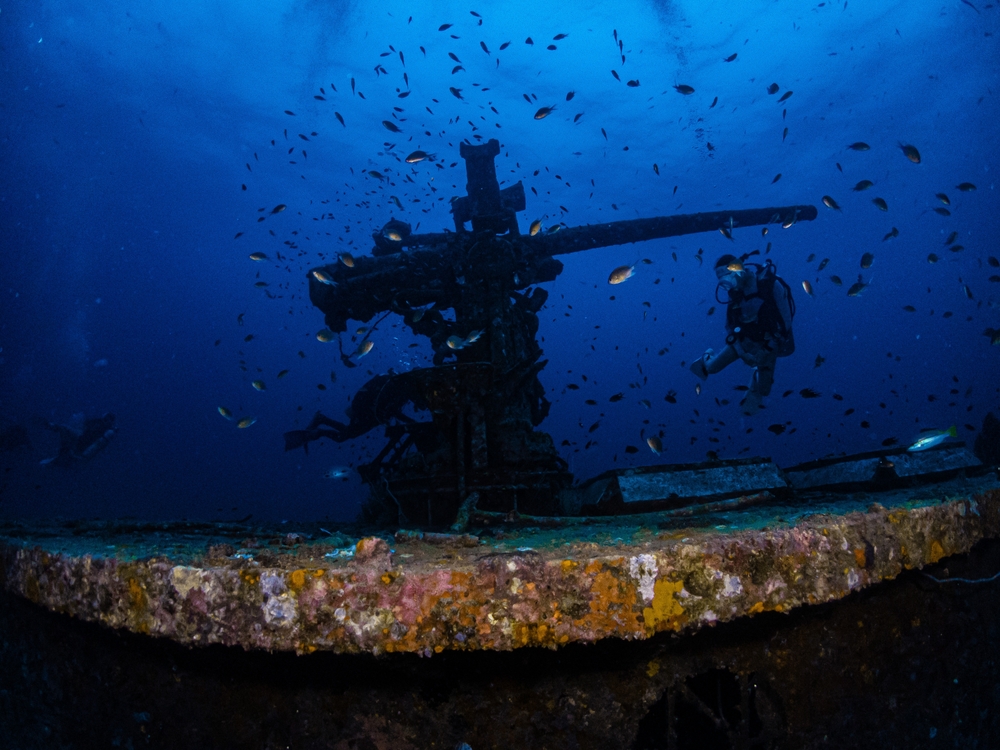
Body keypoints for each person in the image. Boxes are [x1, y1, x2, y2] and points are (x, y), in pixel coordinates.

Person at [689, 254, 795, 415]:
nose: (729, 286)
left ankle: (756, 378)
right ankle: (707, 356)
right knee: (711, 368)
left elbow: (786, 322)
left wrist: (766, 349)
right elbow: (730, 325)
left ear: (738, 270)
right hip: (743, 340)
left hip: (770, 341)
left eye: (728, 277)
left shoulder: (770, 284)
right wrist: (741, 351)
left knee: (764, 390)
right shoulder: (735, 293)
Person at [284, 370, 427, 453]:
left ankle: (322, 420)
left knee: (348, 432)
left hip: (368, 413)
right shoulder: (401, 390)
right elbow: (391, 410)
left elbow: (391, 409)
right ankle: (319, 429)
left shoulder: (400, 387)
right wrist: (411, 422)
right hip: (367, 413)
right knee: (343, 437)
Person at [40, 412, 118, 467]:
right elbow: (86, 425)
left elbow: (96, 446)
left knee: (64, 429)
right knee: (64, 427)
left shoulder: (105, 432)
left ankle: (52, 427)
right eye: (106, 419)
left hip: (81, 443)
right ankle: (51, 426)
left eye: (108, 420)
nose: (105, 421)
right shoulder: (99, 423)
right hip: (81, 437)